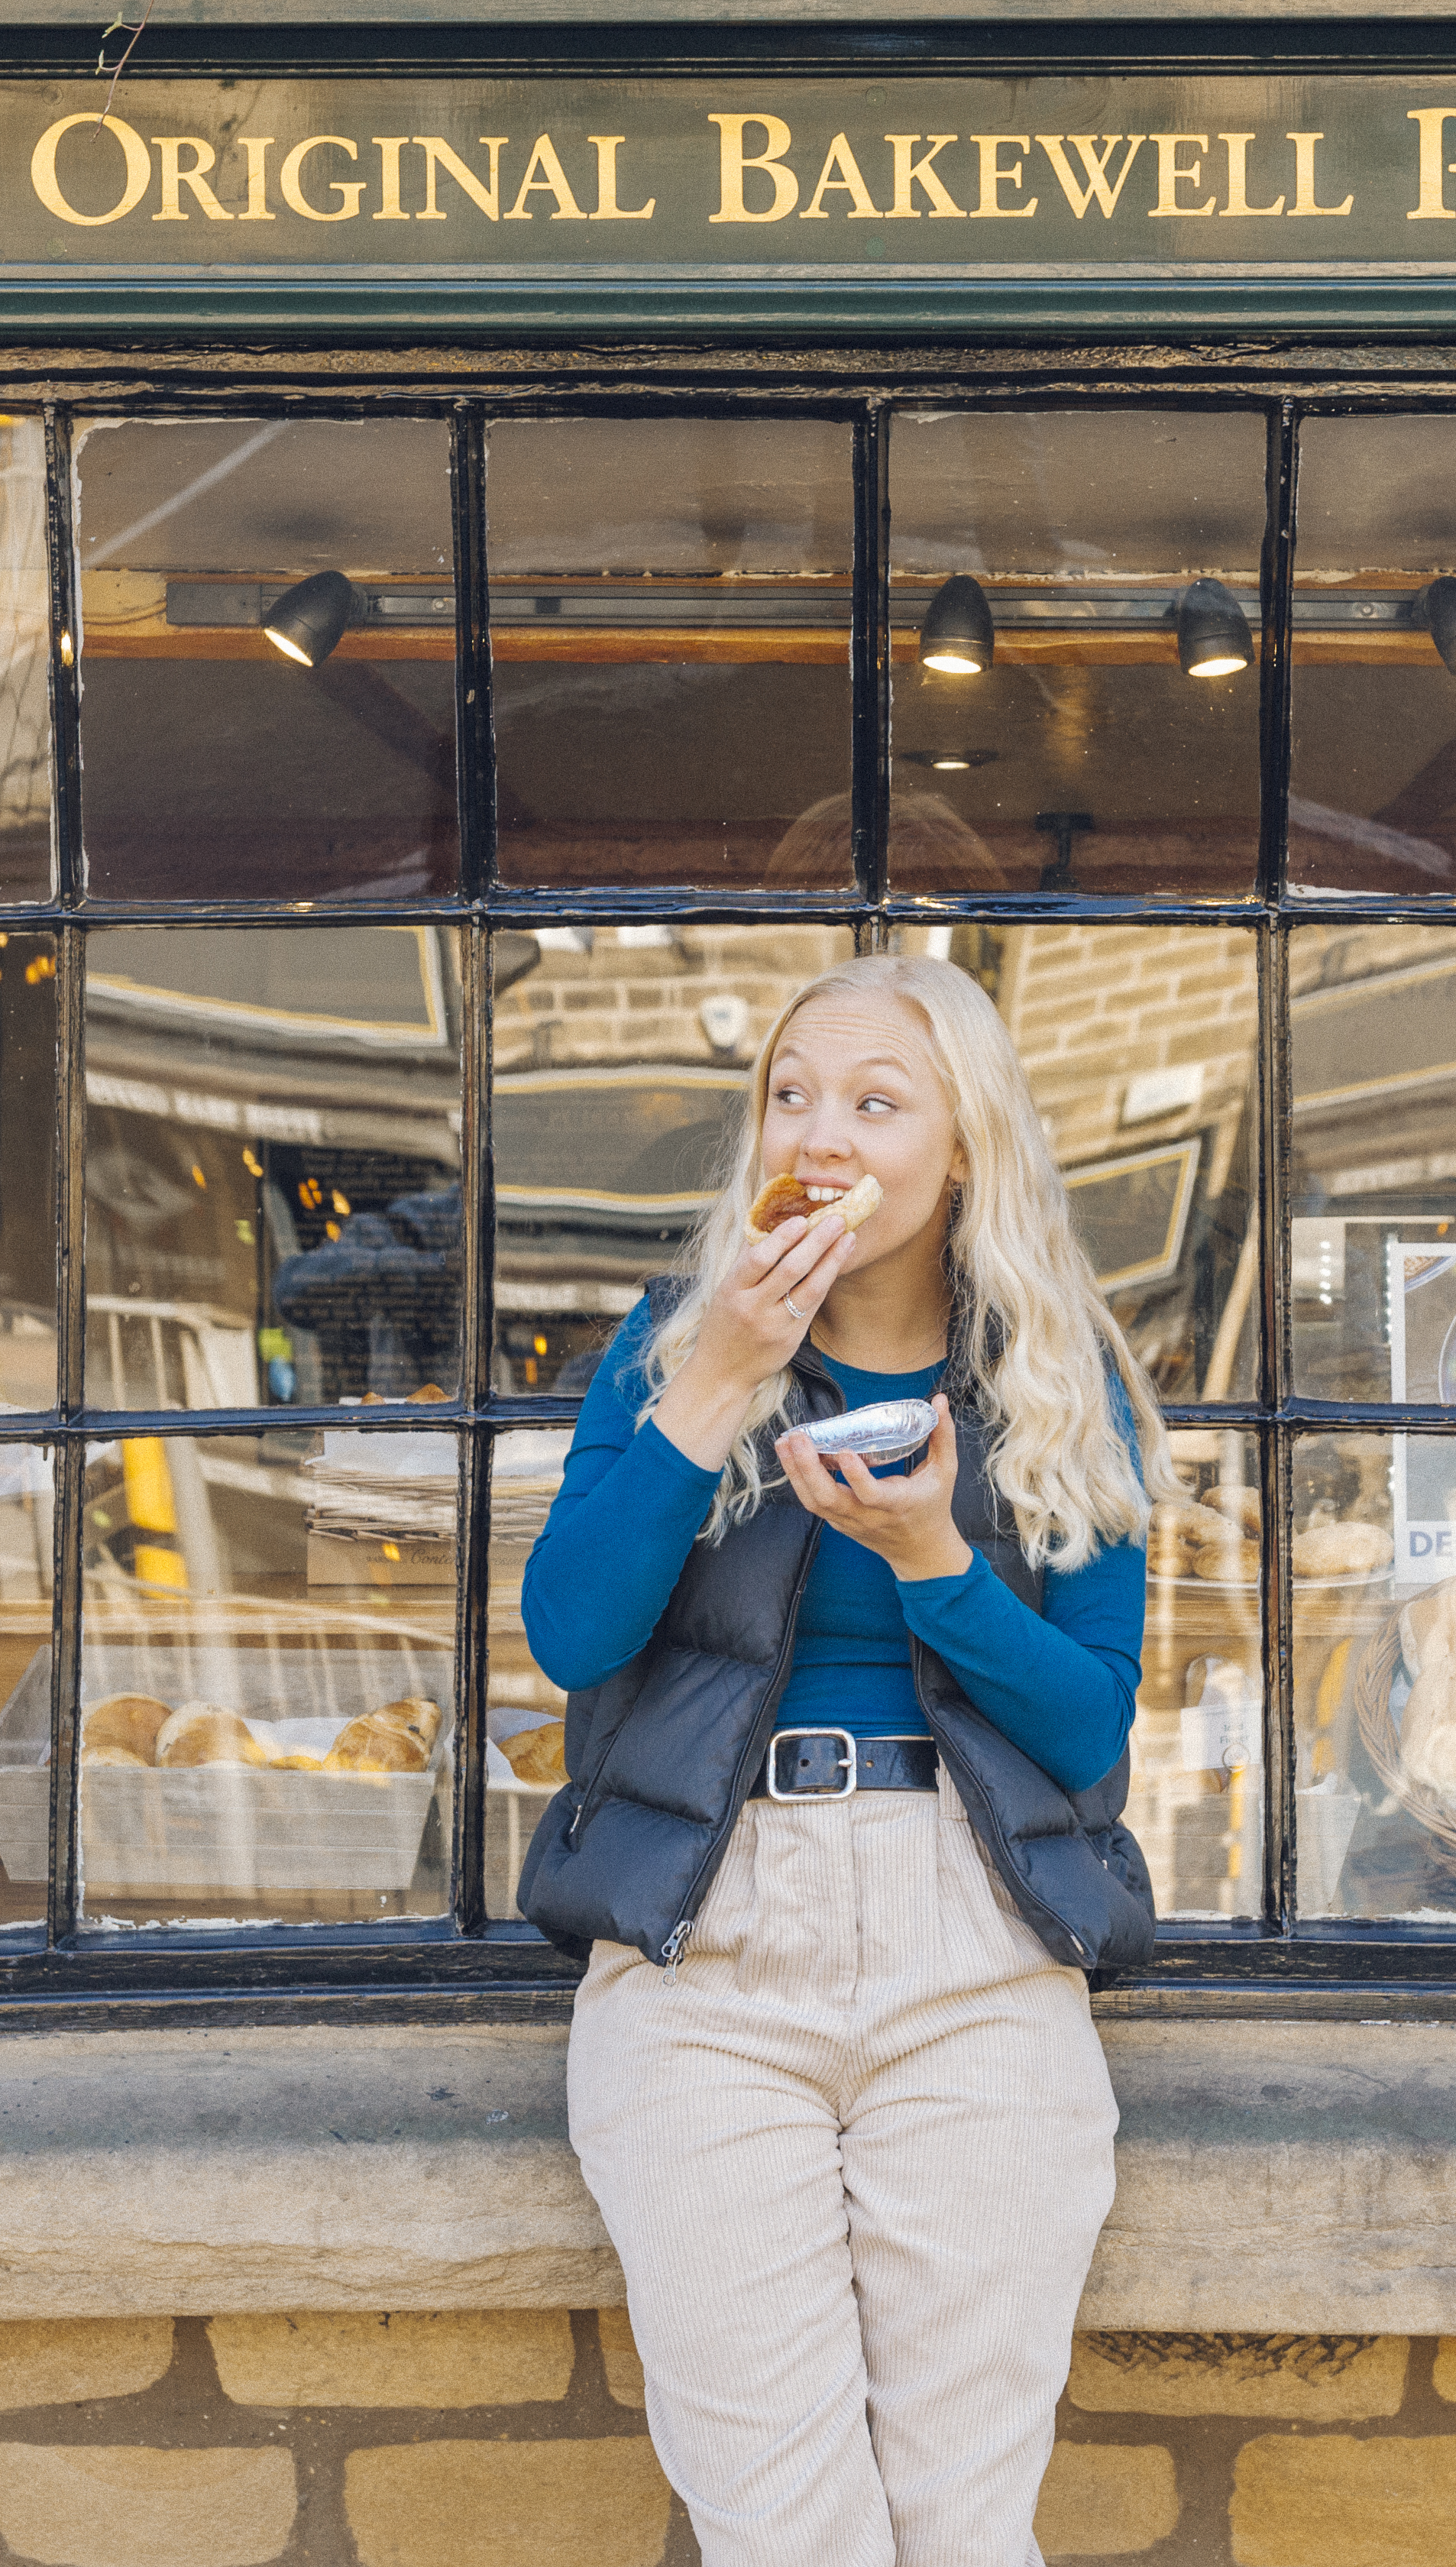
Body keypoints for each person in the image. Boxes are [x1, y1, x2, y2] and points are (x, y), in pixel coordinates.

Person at [515, 949, 1163, 2567]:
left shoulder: (1058, 1375)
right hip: (708, 1949)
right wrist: (718, 1385)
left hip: (980, 1946)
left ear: (965, 1151)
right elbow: (571, 1637)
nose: (826, 1131)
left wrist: (942, 1559)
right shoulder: (675, 1347)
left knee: (965, 2528)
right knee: (784, 2533)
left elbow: (1092, 1726)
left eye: (879, 1101)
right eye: (793, 1096)